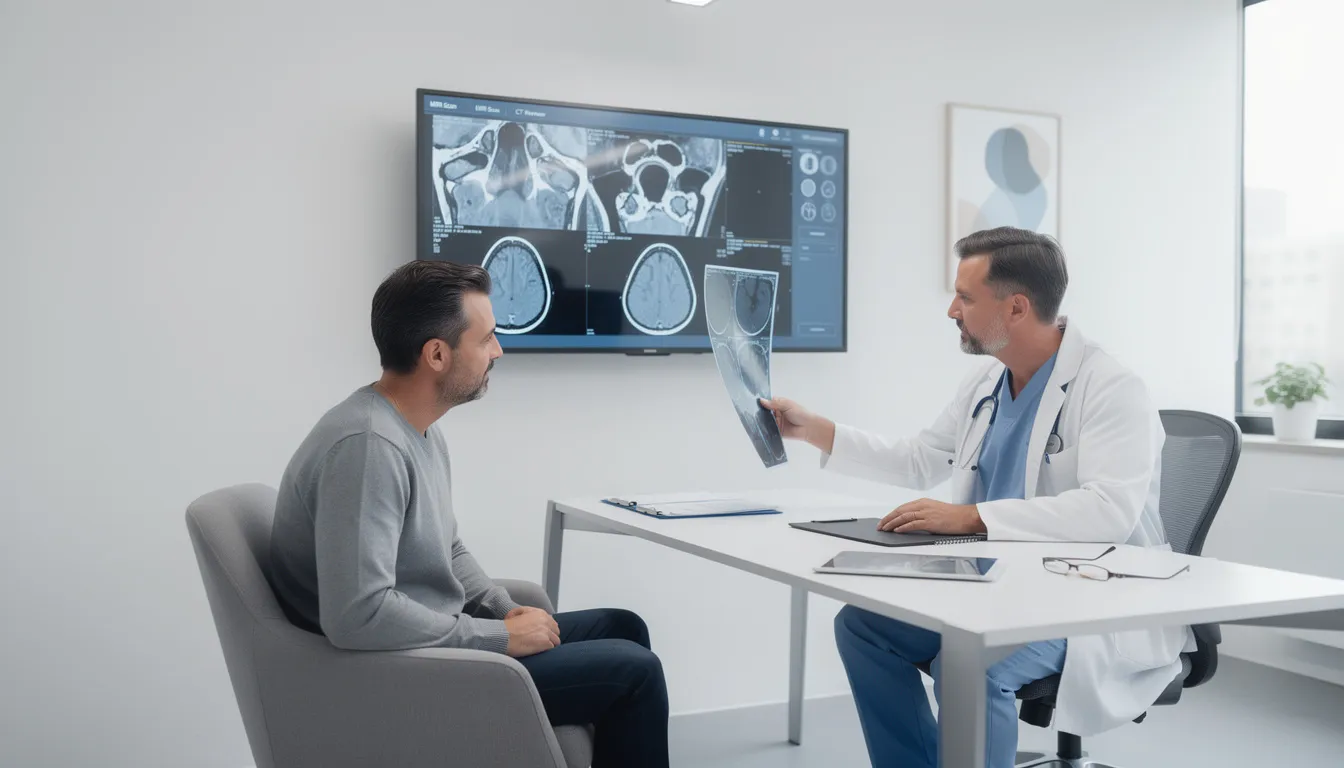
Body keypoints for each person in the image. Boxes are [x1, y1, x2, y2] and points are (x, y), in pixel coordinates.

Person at [761, 227, 1192, 768]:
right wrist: (816, 430)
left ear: (1015, 307)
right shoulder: (987, 380)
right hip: (995, 586)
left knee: (974, 665)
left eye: (965, 297)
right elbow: (922, 459)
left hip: (1086, 600)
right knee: (861, 627)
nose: (951, 310)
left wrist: (970, 516)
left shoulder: (1111, 387)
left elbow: (1109, 511)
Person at [268, 260, 669, 768]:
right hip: (398, 674)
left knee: (623, 627)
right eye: (487, 340)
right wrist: (498, 638)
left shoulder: (416, 428)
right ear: (437, 354)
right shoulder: (369, 447)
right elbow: (358, 616)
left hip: (426, 647)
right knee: (635, 671)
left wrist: (503, 609)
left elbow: (448, 550)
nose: (498, 351)